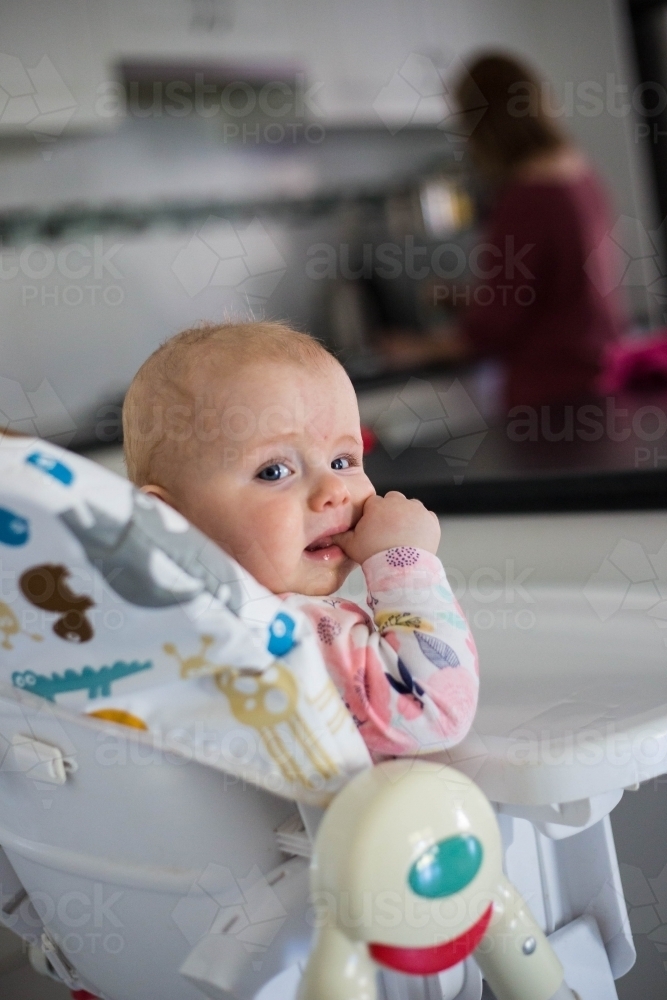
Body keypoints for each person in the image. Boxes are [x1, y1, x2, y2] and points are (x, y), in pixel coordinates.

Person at [122, 320, 478, 758]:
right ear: (169, 520)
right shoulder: (272, 633)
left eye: (343, 459)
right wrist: (404, 563)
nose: (334, 492)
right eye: (274, 471)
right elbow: (433, 711)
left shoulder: (165, 629)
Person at [384, 52, 626, 412]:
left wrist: (413, 348)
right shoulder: (579, 173)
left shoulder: (528, 196)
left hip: (551, 394)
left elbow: (492, 329)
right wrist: (463, 299)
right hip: (599, 373)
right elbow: (548, 291)